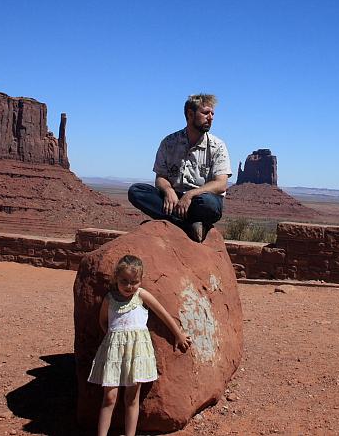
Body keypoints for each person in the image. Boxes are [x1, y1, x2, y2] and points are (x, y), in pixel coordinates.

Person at [88, 255, 192, 436]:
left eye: (134, 281)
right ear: (116, 279)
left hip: (136, 353)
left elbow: (162, 313)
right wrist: (113, 339)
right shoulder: (110, 298)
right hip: (113, 354)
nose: (129, 286)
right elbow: (102, 321)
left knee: (131, 398)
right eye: (124, 281)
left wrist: (178, 334)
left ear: (141, 280)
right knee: (109, 397)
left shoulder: (141, 295)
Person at [128, 93, 232, 242]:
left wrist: (190, 195)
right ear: (190, 114)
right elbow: (161, 177)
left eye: (212, 113)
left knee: (209, 203)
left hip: (199, 201)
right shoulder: (169, 142)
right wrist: (168, 191)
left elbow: (221, 184)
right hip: (174, 200)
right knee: (136, 191)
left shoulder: (218, 146)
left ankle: (175, 220)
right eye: (205, 113)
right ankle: (186, 225)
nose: (211, 117)